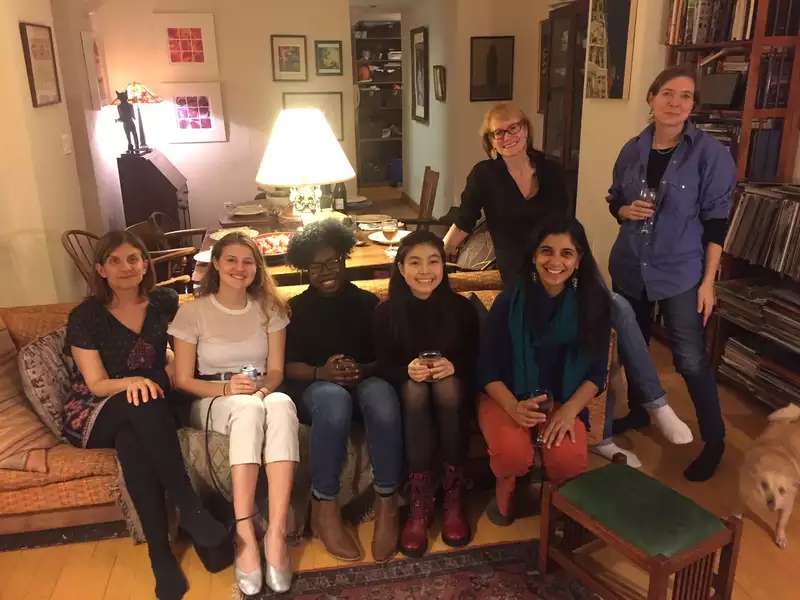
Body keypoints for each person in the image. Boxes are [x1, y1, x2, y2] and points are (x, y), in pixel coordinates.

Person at [64, 231, 225, 600]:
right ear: (101, 269)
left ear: (145, 265)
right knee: (142, 401)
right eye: (116, 261)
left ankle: (160, 554)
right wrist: (135, 381)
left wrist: (169, 365)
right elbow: (97, 383)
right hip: (96, 408)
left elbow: (166, 353)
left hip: (147, 403)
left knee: (133, 440)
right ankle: (191, 508)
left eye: (134, 259)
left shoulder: (163, 302)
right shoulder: (86, 316)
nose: (126, 267)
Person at [607, 65, 736, 482]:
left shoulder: (711, 155)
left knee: (690, 358)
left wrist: (709, 282)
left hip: (681, 271)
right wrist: (623, 210)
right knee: (633, 346)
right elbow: (615, 200)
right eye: (667, 93)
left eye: (684, 96)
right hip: (630, 264)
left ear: (693, 105)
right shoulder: (632, 149)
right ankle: (642, 412)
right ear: (651, 97)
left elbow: (717, 222)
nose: (675, 103)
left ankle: (714, 439)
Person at [170, 232, 298, 595]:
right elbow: (182, 379)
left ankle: (274, 533)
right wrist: (226, 389)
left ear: (257, 269)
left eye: (247, 261)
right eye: (231, 260)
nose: (239, 268)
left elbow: (276, 372)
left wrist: (261, 390)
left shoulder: (270, 308)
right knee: (246, 409)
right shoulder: (192, 311)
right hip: (210, 395)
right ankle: (244, 532)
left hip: (259, 391)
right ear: (217, 265)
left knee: (282, 404)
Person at [283, 220, 403, 563]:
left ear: (345, 259)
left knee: (382, 398)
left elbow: (385, 357)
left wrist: (360, 369)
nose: (325, 272)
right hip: (315, 387)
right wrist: (323, 372)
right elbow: (287, 365)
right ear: (305, 268)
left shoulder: (368, 303)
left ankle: (387, 505)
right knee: (333, 399)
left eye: (332, 262)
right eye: (316, 266)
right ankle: (325, 508)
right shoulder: (297, 309)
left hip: (365, 380)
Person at [477, 217, 609, 525]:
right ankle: (510, 487)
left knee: (568, 458)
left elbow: (596, 372)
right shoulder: (510, 299)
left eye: (567, 253)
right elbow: (486, 367)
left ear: (579, 261)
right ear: (534, 256)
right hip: (506, 395)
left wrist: (568, 412)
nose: (555, 261)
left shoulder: (594, 303)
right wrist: (512, 407)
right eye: (546, 251)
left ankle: (555, 498)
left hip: (563, 400)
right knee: (512, 452)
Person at [373, 231, 479, 557]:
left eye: (434, 261)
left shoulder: (462, 308)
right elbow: (380, 365)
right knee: (416, 389)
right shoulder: (386, 312)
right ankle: (419, 500)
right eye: (415, 262)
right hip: (409, 397)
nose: (425, 271)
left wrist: (454, 366)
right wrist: (406, 370)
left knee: (446, 387)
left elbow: (477, 358)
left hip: (455, 396)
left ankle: (452, 497)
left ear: (444, 266)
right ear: (401, 268)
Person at [442, 101, 572, 284]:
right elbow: (465, 220)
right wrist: (439, 251)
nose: (507, 136)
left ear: (525, 130)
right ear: (491, 142)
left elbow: (566, 223)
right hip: (514, 272)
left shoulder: (552, 170)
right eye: (498, 132)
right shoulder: (484, 175)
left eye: (513, 128)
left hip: (554, 268)